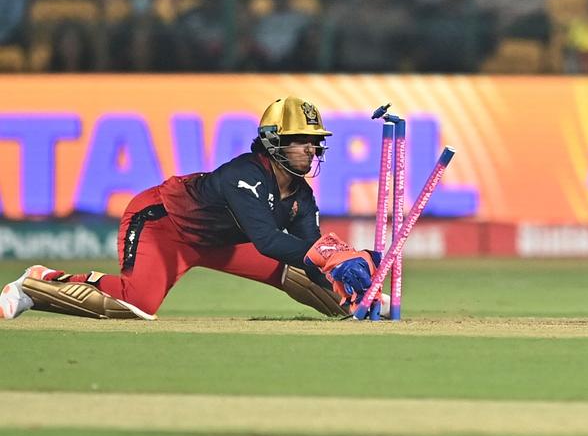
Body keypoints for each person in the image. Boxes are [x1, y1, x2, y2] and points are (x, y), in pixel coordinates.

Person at [0, 96, 387, 321]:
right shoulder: (245, 175)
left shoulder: (302, 196)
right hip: (165, 226)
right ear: (273, 142)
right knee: (137, 306)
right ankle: (38, 285)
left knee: (304, 274)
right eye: (300, 140)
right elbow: (269, 241)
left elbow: (308, 252)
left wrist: (359, 291)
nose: (310, 149)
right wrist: (330, 256)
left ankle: (359, 307)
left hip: (222, 240)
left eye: (314, 141)